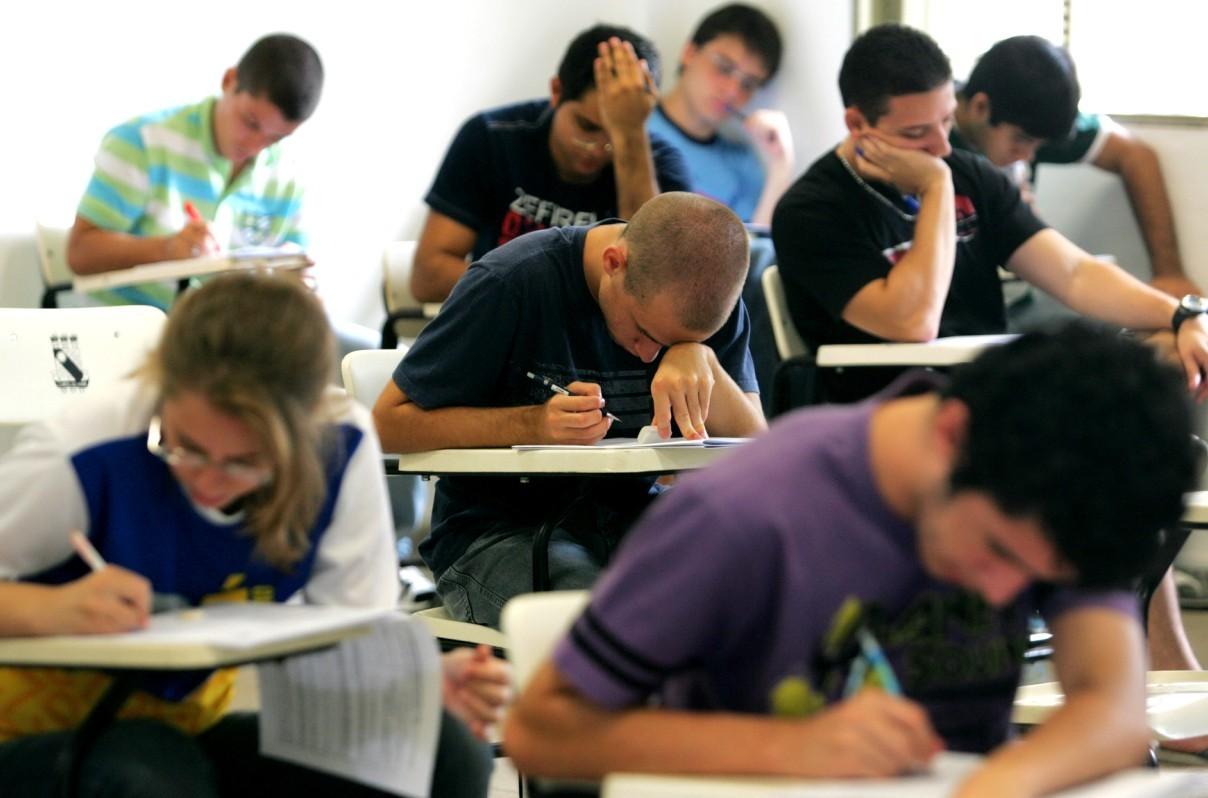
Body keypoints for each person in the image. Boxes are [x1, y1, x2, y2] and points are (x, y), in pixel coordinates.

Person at [505, 325, 1198, 797]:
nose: (1005, 593)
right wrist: (792, 750)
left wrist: (998, 785)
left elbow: (1112, 709)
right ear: (952, 434)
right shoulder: (746, 512)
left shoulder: (1058, 489)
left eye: (1042, 578)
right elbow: (540, 732)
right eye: (996, 551)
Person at [771, 22, 1208, 756]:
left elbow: (1073, 273)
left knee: (1122, 444)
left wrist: (1181, 313)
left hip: (992, 409)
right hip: (891, 427)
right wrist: (936, 189)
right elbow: (912, 321)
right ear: (858, 124)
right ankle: (1130, 688)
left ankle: (1151, 683)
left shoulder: (972, 175)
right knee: (1096, 462)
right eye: (917, 133)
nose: (942, 145)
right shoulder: (815, 209)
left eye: (947, 123)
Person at [0, 273, 507, 798]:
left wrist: (412, 685)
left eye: (245, 462)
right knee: (151, 772)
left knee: (444, 749)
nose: (208, 481)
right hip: (33, 735)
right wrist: (49, 610)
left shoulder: (338, 444)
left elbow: (350, 631)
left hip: (185, 731)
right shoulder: (85, 448)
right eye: (185, 447)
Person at [374, 192, 767, 628]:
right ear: (614, 263)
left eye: (672, 343)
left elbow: (760, 453)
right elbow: (387, 423)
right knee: (617, 625)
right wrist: (532, 424)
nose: (649, 355)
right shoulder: (511, 281)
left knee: (762, 586)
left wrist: (703, 357)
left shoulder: (703, 293)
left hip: (632, 519)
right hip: (500, 533)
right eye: (644, 332)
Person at [409, 24, 691, 303]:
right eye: (587, 126)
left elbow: (649, 288)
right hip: (500, 316)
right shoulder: (491, 136)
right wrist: (551, 297)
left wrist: (630, 138)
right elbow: (428, 277)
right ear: (556, 91)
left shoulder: (659, 165)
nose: (598, 148)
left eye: (616, 133)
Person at [66, 34, 319, 309]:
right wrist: (167, 249)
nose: (255, 146)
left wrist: (299, 282)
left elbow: (299, 265)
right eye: (250, 122)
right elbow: (80, 252)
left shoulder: (288, 178)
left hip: (230, 329)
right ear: (229, 81)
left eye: (276, 138)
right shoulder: (143, 141)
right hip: (133, 324)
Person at [951, 35, 1198, 299]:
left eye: (1038, 146)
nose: (1028, 156)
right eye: (1021, 140)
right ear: (980, 107)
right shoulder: (934, 132)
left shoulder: (1030, 120)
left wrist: (1170, 274)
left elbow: (1135, 155)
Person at [649, 3, 794, 226]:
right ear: (689, 53)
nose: (732, 91)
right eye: (724, 68)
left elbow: (757, 245)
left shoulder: (743, 166)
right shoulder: (631, 126)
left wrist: (781, 164)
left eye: (748, 84)